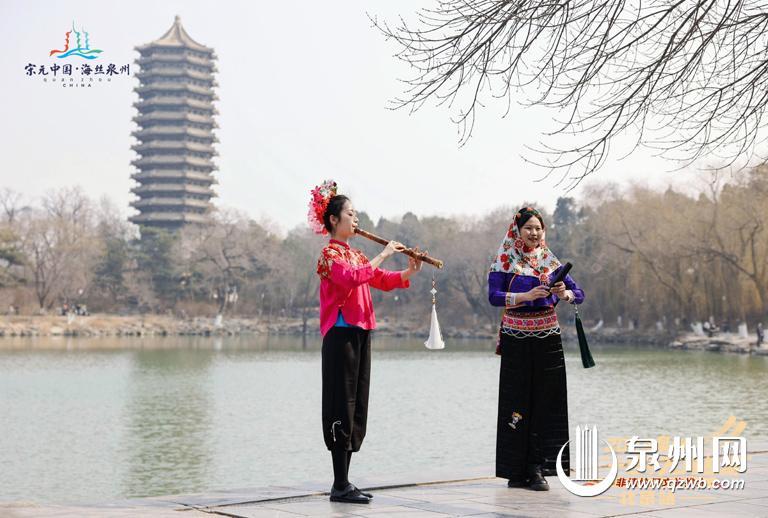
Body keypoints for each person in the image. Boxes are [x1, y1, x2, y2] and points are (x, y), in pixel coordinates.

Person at [310, 180, 423, 504]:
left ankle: (344, 482)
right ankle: (339, 484)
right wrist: (384, 253)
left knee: (356, 404)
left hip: (360, 332)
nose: (356, 219)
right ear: (334, 220)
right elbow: (351, 278)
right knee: (340, 404)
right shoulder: (329, 255)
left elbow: (380, 280)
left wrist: (409, 271)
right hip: (340, 334)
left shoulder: (356, 254)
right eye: (350, 214)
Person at [488, 207, 585, 491]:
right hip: (516, 337)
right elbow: (493, 296)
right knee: (516, 400)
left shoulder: (549, 261)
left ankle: (538, 467)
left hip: (547, 338)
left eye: (538, 228)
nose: (534, 233)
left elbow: (579, 293)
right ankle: (515, 470)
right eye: (528, 228)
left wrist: (565, 294)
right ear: (516, 231)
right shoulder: (504, 260)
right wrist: (525, 296)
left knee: (546, 400)